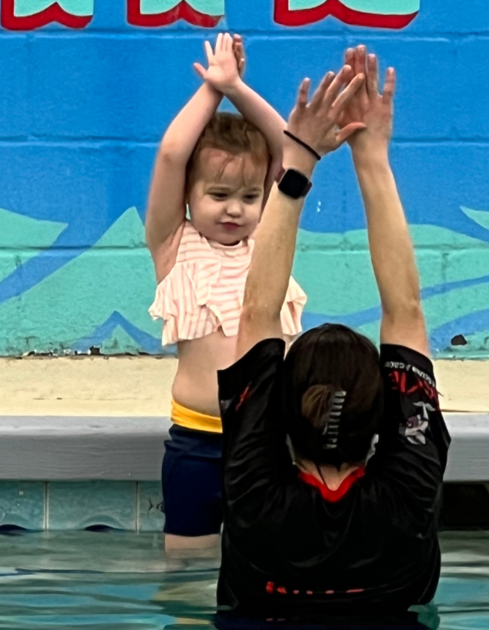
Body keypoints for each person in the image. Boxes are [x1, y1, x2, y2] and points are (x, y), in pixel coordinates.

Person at [215, 46, 451, 620]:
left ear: (277, 414)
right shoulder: (407, 494)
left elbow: (255, 313)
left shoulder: (255, 493)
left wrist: (297, 165)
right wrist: (372, 159)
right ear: (387, 418)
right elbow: (408, 311)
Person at [145, 33, 307, 552]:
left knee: (267, 563)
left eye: (249, 196)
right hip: (196, 442)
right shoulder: (174, 244)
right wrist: (212, 91)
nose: (234, 209)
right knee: (186, 567)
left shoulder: (267, 245)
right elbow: (172, 155)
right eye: (217, 195)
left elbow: (291, 152)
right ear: (190, 198)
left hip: (268, 443)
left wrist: (238, 86)